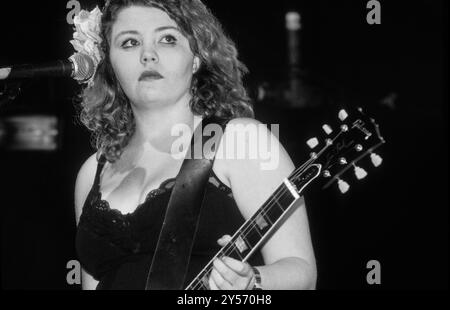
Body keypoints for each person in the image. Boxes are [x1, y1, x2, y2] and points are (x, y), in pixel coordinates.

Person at [75, 0, 316, 290]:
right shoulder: (93, 171)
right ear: (109, 64)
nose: (148, 55)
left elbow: (301, 271)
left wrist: (253, 283)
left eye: (167, 39)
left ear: (197, 58)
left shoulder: (238, 140)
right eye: (129, 42)